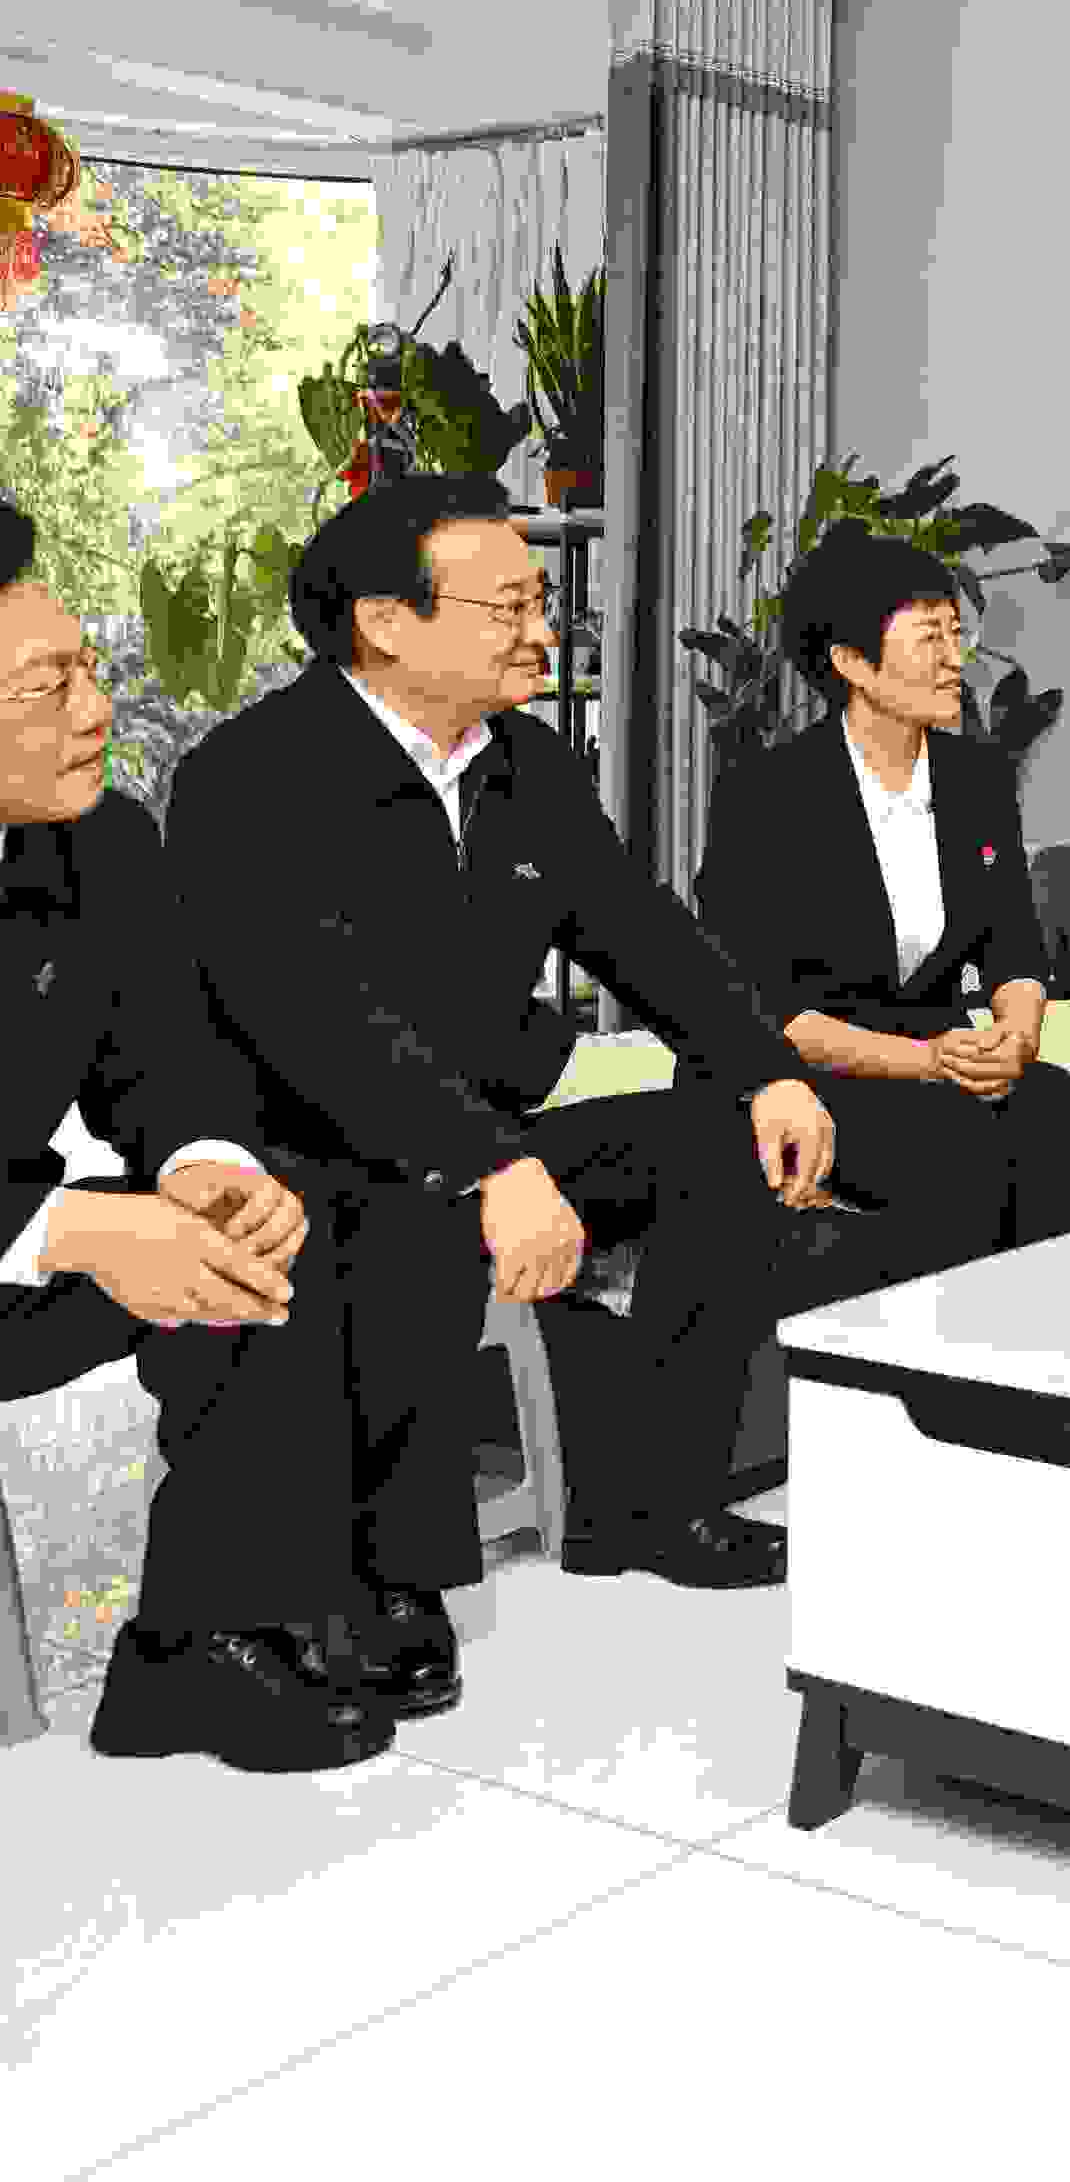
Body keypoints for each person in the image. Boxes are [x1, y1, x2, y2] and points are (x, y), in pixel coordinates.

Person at [169, 475, 838, 1628]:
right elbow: (323, 1025)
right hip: (302, 1154)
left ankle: (655, 1502)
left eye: (544, 604)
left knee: (721, 1138)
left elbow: (648, 937)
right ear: (388, 621)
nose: (546, 630)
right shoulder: (249, 777)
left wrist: (767, 1069)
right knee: (401, 1227)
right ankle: (391, 1582)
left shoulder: (525, 763)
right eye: (511, 606)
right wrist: (488, 1162)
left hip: (485, 1132)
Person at [0, 503, 422, 1771]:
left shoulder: (103, 844)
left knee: (278, 1232)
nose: (96, 708)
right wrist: (75, 1226)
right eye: (47, 688)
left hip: (25, 1250)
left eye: (87, 668)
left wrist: (204, 1169)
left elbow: (165, 1058)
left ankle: (196, 1644)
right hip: (26, 1233)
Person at [697, 524, 1070, 1262]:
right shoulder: (764, 796)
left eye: (956, 634)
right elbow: (763, 1005)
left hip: (937, 1055)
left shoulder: (977, 779)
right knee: (954, 1143)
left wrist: (1015, 1038)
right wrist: (929, 1062)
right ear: (852, 662)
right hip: (819, 1066)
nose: (956, 660)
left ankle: (1043, 1310)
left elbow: (1015, 946)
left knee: (1062, 1114)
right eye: (929, 639)